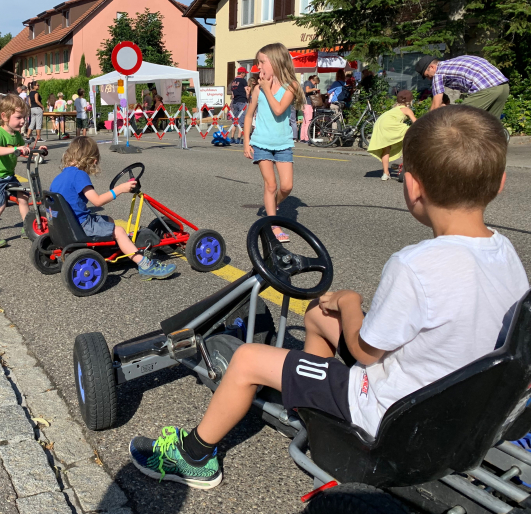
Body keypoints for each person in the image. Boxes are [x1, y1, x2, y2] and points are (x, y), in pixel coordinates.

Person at [129, 105, 529, 489]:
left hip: (391, 412)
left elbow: (366, 352)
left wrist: (350, 303)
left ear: (412, 185)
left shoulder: (414, 265)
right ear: (500, 183)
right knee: (320, 314)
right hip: (456, 397)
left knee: (248, 358)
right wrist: (337, 309)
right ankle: (312, 410)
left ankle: (194, 457)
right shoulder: (505, 253)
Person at [49, 137, 177, 280]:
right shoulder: (79, 175)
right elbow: (97, 201)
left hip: (65, 225)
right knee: (119, 231)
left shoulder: (59, 177)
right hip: (80, 226)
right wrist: (120, 189)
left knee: (109, 220)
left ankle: (117, 247)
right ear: (92, 160)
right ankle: (146, 265)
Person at [243, 43, 304, 243]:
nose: (258, 66)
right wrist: (246, 142)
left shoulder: (291, 86)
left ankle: (272, 205)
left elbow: (278, 110)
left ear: (276, 61)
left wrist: (267, 89)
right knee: (271, 185)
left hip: (283, 143)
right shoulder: (257, 89)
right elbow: (249, 115)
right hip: (261, 142)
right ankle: (273, 223)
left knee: (286, 187)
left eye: (262, 62)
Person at [0, 94, 46, 248]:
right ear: (4, 116)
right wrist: (15, 148)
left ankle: (27, 227)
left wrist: (37, 151)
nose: (23, 121)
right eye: (18, 117)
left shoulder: (16, 135)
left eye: (24, 118)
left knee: (23, 197)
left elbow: (24, 151)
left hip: (8, 175)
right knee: (0, 204)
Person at [416, 55, 509, 119]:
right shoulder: (455, 61)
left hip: (485, 89)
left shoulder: (438, 73)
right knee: (491, 124)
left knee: (459, 118)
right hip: (503, 86)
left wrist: (424, 125)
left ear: (432, 67)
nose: (429, 79)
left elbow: (435, 106)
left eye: (427, 76)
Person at [368, 90, 417, 180]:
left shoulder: (394, 110)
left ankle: (385, 173)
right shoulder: (406, 109)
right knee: (408, 140)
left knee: (386, 148)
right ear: (409, 101)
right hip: (390, 125)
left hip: (380, 124)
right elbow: (416, 123)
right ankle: (405, 170)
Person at [229, 66, 248, 145]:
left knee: (235, 121)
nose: (245, 75)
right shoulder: (243, 81)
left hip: (235, 102)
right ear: (242, 73)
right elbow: (247, 90)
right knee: (241, 121)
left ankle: (232, 137)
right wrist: (248, 97)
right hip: (242, 101)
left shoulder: (233, 81)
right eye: (245, 73)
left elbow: (232, 94)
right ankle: (239, 138)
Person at [301, 75, 320, 142]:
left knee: (305, 122)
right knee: (308, 122)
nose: (315, 84)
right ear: (312, 80)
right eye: (315, 83)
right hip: (308, 105)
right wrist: (314, 89)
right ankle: (307, 138)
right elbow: (307, 90)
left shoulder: (307, 83)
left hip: (304, 104)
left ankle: (302, 138)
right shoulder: (308, 83)